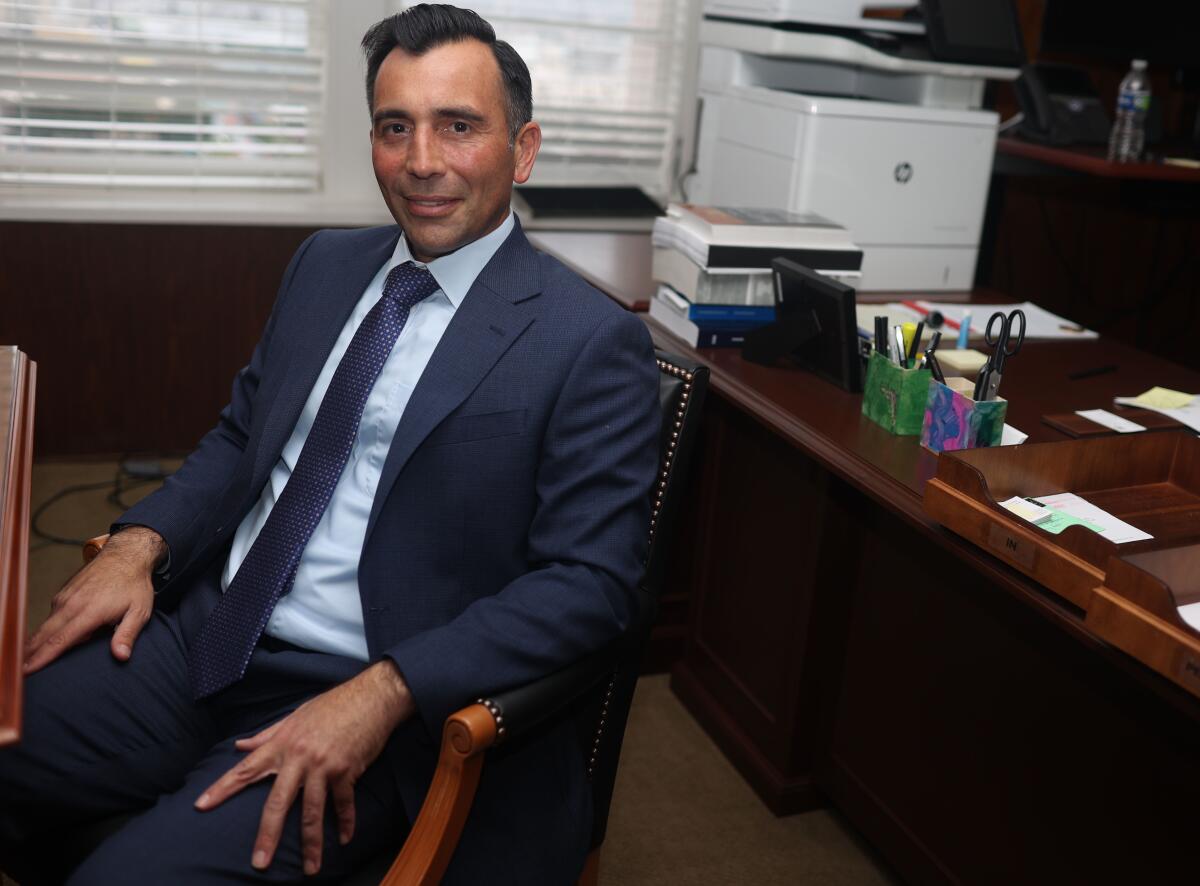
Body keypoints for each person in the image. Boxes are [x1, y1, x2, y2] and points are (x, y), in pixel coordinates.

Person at [0, 5, 659, 883]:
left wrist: (386, 689)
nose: (422, 161)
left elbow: (591, 586)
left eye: (457, 126)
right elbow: (243, 440)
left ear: (523, 149)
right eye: (397, 128)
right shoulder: (324, 265)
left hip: (365, 695)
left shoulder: (586, 341)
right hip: (207, 634)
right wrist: (141, 541)